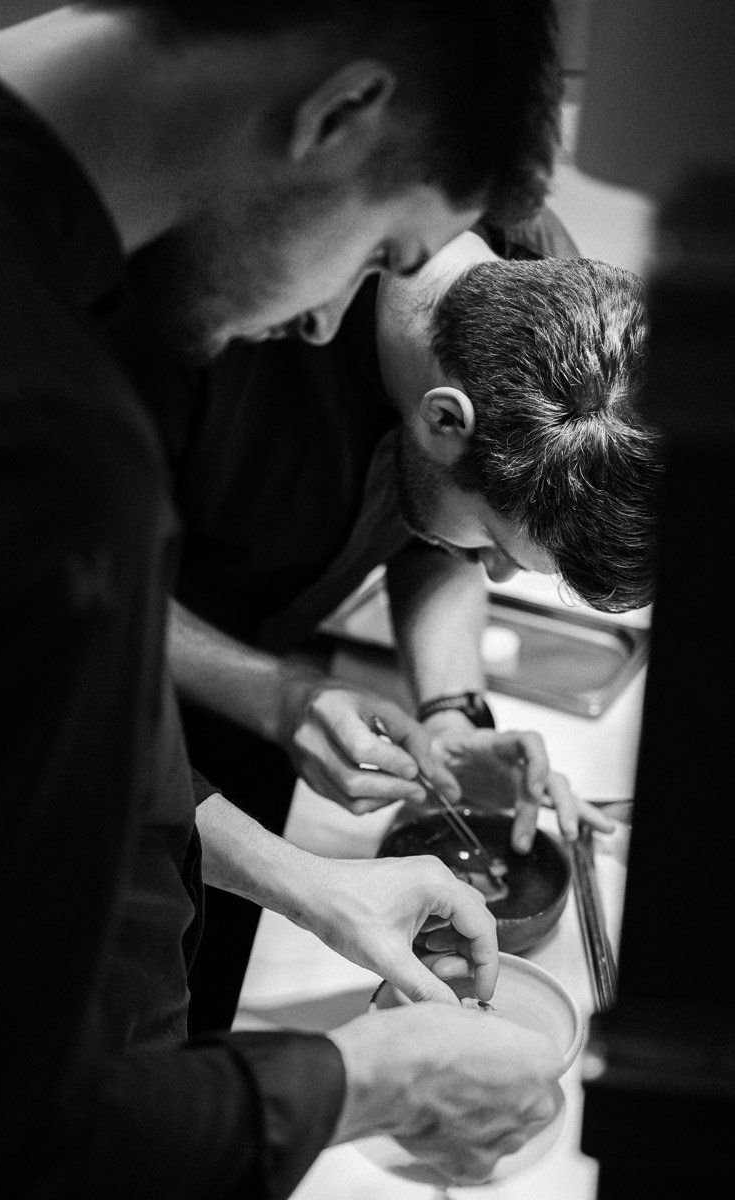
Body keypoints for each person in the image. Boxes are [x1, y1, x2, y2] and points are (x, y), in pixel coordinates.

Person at [0, 2, 566, 1197]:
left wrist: (314, 885)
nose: (334, 321)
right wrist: (371, 1080)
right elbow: (10, 1142)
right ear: (341, 112)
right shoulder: (47, 446)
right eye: (387, 251)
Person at [113, 209, 660, 1031]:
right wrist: (276, 696)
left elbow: (437, 541)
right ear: (445, 418)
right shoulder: (232, 311)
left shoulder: (545, 301)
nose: (500, 573)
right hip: (119, 696)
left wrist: (452, 709)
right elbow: (88, 602)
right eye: (505, 547)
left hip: (275, 696)